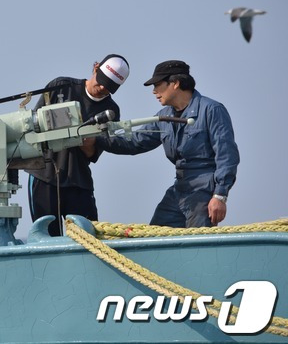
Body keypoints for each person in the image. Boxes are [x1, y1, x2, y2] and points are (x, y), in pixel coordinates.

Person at [97, 60, 240, 228]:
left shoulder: (212, 110)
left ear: (176, 83)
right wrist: (96, 138)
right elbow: (135, 142)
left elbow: (227, 156)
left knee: (197, 247)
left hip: (204, 192)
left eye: (158, 85)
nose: (154, 91)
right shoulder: (163, 117)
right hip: (178, 190)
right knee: (154, 238)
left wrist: (219, 196)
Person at [26, 54, 130, 236]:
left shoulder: (111, 111)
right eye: (102, 80)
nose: (103, 87)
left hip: (78, 179)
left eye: (110, 87)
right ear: (95, 68)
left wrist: (86, 139)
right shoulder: (61, 86)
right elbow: (33, 125)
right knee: (46, 235)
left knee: (88, 236)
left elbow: (93, 154)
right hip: (44, 175)